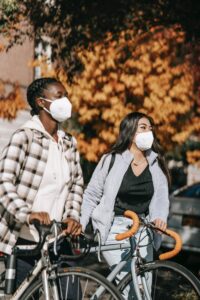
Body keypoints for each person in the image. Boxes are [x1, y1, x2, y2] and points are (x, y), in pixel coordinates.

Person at [0, 77, 84, 290]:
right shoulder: (25, 137)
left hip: (58, 238)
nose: (66, 101)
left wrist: (72, 215)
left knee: (71, 294)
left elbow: (76, 184)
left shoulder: (69, 143)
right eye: (59, 96)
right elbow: (3, 181)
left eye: (66, 96)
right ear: (41, 102)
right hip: (25, 239)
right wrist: (28, 213)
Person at [80, 111, 170, 296]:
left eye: (151, 129)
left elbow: (161, 197)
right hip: (115, 229)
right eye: (143, 128)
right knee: (129, 287)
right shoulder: (111, 159)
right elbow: (92, 194)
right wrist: (80, 224)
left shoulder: (156, 162)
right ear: (130, 132)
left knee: (144, 288)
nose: (149, 133)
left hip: (143, 230)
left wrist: (160, 218)